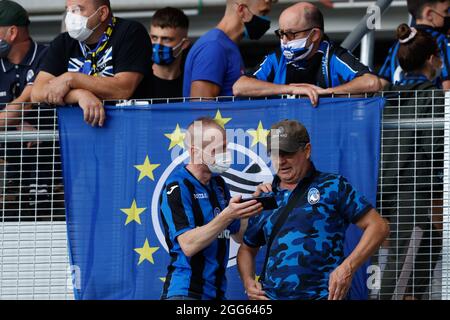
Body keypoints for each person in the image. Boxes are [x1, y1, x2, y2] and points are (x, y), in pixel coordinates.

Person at [237, 120, 389, 300]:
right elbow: (246, 249)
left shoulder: (332, 186)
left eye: (288, 153)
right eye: (276, 154)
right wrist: (248, 282)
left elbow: (379, 226)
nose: (281, 161)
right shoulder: (266, 196)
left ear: (307, 150)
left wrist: (348, 267)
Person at [159, 117, 263, 300]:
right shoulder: (177, 186)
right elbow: (188, 245)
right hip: (186, 293)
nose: (226, 154)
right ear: (195, 152)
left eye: (225, 147)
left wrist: (254, 205)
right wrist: (227, 215)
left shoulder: (218, 184)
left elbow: (239, 234)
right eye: (218, 149)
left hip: (216, 293)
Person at [378, 24, 444, 300]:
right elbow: (435, 148)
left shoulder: (385, 96)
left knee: (430, 241)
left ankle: (413, 296)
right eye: (439, 56)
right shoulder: (432, 95)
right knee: (399, 266)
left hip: (381, 185)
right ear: (431, 60)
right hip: (412, 191)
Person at [31, 0, 153, 127]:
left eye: (77, 10)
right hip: (77, 136)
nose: (70, 17)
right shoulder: (63, 42)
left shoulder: (130, 33)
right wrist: (79, 95)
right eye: (68, 10)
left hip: (128, 129)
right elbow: (37, 93)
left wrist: (71, 79)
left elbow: (122, 89)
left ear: (102, 13)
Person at [232, 2, 381, 100]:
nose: (284, 41)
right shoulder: (277, 58)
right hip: (283, 138)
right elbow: (239, 87)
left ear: (315, 35)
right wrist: (290, 90)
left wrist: (325, 93)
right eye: (281, 34)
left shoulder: (333, 56)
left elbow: (372, 83)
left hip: (325, 136)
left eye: (291, 34)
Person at [0, 0, 54, 213]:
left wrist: (16, 115)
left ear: (12, 32)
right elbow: (23, 105)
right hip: (9, 162)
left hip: (48, 161)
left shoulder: (48, 56)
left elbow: (29, 100)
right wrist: (18, 122)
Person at [183, 0, 275, 98]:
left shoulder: (226, 46)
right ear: (242, 10)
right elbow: (201, 107)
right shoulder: (214, 47)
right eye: (263, 13)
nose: (266, 20)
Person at [379, 0, 450, 89]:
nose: (448, 15)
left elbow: (381, 84)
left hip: (400, 101)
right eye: (446, 11)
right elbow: (448, 87)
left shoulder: (397, 45)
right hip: (432, 101)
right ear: (429, 14)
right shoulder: (443, 41)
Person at [149, 7, 190, 99]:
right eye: (154, 38)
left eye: (166, 39)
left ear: (184, 44)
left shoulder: (191, 83)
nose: (158, 44)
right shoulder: (138, 81)